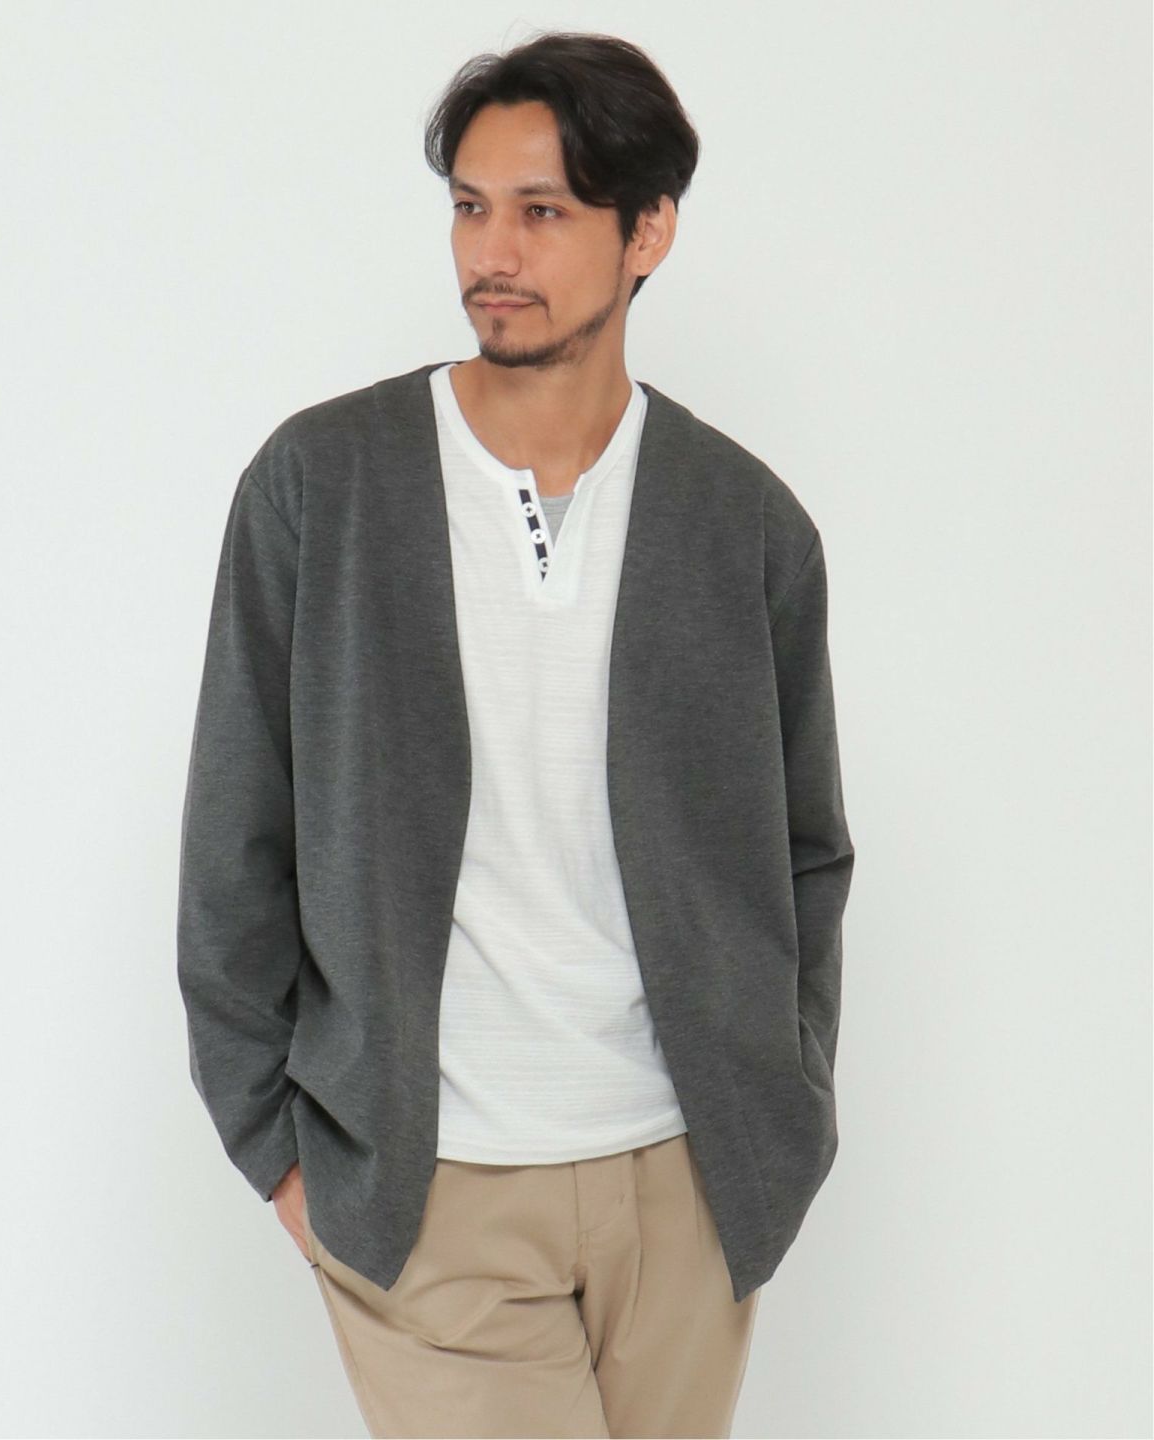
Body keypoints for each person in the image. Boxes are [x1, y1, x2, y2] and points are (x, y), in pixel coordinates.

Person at [177, 29, 855, 1440]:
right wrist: (282, 1154)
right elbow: (236, 834)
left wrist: (776, 1117)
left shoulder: (746, 525)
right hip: (431, 1192)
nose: (493, 252)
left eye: (542, 212)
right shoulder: (321, 487)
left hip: (688, 1187)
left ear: (647, 231)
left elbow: (804, 852)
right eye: (472, 207)